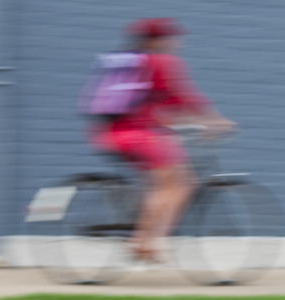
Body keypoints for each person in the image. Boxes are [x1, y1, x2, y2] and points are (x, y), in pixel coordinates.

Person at [85, 18, 236, 261]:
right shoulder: (161, 61)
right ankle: (145, 241)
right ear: (158, 40)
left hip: (108, 134)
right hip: (139, 136)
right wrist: (215, 121)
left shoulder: (127, 63)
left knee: (162, 181)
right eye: (171, 37)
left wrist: (174, 123)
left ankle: (144, 238)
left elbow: (153, 105)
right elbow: (182, 98)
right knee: (178, 184)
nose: (176, 42)